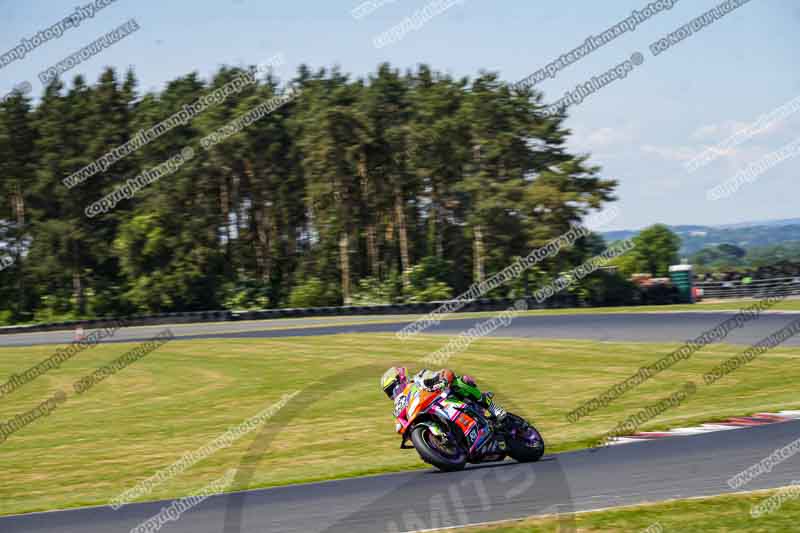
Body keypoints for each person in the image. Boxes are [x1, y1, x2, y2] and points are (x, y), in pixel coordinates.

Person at [380, 367, 506, 421]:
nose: (395, 392)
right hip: (435, 414)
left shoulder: (419, 378)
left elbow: (446, 372)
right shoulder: (399, 408)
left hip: (450, 399)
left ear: (402, 378)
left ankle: (492, 407)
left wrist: (443, 381)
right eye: (390, 392)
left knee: (459, 382)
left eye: (395, 387)